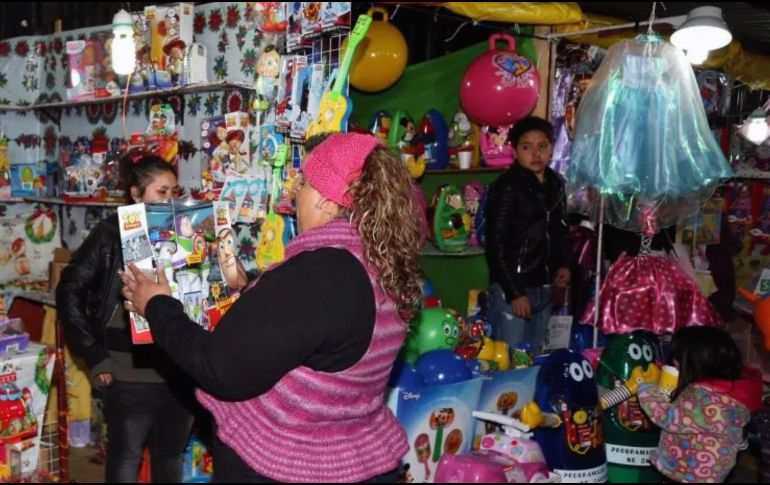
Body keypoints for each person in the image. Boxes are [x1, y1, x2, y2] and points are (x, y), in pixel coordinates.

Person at [119, 133, 423, 483]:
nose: (294, 194)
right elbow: (314, 328)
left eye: (304, 183)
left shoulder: (320, 273)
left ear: (326, 200)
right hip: (355, 457)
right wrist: (250, 288)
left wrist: (156, 305)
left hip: (286, 465)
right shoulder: (381, 262)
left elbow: (220, 368)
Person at [57, 155, 195, 483]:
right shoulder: (111, 233)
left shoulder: (185, 232)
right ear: (135, 193)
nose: (170, 199)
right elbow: (69, 290)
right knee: (126, 456)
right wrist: (94, 354)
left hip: (180, 368)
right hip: (128, 371)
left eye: (174, 191)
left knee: (171, 456)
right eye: (161, 191)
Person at [485, 116, 571, 351]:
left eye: (542, 146)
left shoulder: (556, 184)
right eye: (527, 147)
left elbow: (560, 230)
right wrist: (514, 293)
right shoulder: (507, 187)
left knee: (534, 357)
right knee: (509, 360)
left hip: (545, 286)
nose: (536, 153)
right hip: (514, 288)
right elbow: (495, 244)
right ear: (514, 151)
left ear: (551, 148)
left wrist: (564, 265)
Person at [637, 326, 762, 483]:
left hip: (691, 473)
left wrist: (646, 388)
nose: (674, 362)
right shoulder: (726, 394)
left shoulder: (704, 400)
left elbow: (668, 418)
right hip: (709, 473)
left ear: (694, 362)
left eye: (677, 358)